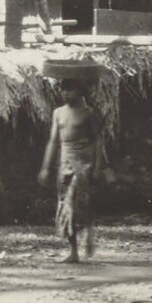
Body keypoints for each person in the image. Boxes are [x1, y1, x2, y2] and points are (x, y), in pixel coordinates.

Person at [39, 78, 106, 263]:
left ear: (79, 91)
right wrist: (45, 167)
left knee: (76, 202)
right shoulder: (58, 113)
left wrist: (98, 166)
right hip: (64, 162)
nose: (65, 94)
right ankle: (74, 250)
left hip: (83, 163)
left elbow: (98, 140)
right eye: (63, 90)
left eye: (69, 90)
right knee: (64, 204)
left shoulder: (88, 113)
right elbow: (53, 141)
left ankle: (88, 233)